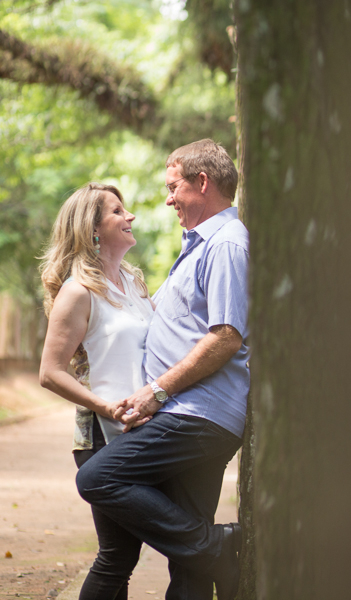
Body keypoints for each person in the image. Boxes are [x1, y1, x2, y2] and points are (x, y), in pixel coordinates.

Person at [75, 139, 250, 600]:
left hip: (197, 413)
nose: (168, 198)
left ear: (203, 182)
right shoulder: (197, 246)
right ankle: (209, 547)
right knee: (186, 561)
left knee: (98, 477)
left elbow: (226, 335)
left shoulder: (227, 244)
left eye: (173, 187)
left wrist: (157, 390)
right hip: (189, 412)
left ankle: (217, 545)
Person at [39, 183, 154, 600]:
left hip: (145, 430)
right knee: (117, 557)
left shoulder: (134, 283)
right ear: (93, 231)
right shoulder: (78, 291)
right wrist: (106, 405)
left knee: (124, 557)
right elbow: (50, 372)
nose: (131, 217)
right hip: (103, 438)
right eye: (118, 211)